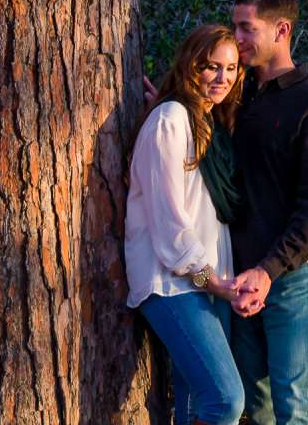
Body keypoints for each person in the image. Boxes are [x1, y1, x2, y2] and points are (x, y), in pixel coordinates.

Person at [223, 0, 308, 425]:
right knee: (255, 408)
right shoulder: (238, 95)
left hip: (292, 275)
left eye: (246, 28)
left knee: (295, 406)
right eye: (234, 26)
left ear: (281, 30)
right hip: (239, 277)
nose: (237, 38)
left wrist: (268, 270)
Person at [126, 23, 247, 425]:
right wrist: (210, 279)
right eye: (211, 66)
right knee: (225, 399)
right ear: (190, 66)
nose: (222, 78)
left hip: (208, 283)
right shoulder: (171, 119)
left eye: (231, 69)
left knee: (194, 405)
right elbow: (169, 221)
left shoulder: (210, 125)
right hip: (174, 282)